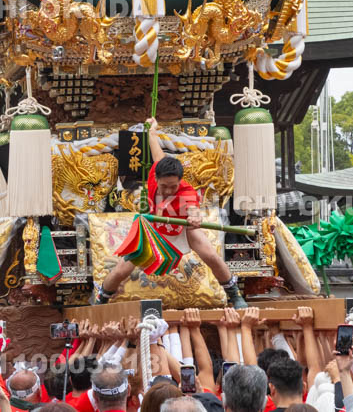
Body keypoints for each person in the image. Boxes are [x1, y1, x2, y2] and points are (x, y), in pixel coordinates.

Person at [93, 118, 245, 308]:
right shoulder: (158, 168)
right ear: (155, 176)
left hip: (182, 227)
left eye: (173, 186)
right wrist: (152, 128)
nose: (168, 190)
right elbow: (154, 142)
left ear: (180, 181)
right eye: (164, 186)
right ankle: (101, 299)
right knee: (122, 269)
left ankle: (235, 294)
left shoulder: (186, 192)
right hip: (155, 228)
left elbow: (193, 210)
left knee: (212, 256)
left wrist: (195, 218)